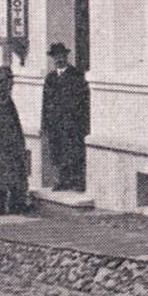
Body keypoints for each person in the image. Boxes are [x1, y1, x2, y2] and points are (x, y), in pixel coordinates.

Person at [40, 42, 89, 192]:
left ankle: (77, 180)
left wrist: (81, 121)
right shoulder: (50, 78)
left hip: (72, 122)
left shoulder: (76, 75)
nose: (58, 59)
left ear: (66, 56)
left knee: (74, 150)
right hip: (55, 123)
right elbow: (46, 102)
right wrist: (45, 123)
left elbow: (83, 100)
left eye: (61, 56)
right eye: (55, 57)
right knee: (58, 151)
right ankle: (62, 179)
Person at [0, 66, 29, 215]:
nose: (9, 86)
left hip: (13, 146)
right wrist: (6, 141)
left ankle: (16, 205)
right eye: (6, 83)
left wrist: (19, 142)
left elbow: (16, 123)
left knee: (17, 176)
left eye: (10, 82)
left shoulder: (8, 102)